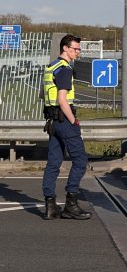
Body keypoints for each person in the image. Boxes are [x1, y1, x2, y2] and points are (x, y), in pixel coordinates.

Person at [41, 34, 91, 220]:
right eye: (75, 49)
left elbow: (42, 95)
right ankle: (71, 203)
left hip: (52, 122)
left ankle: (50, 206)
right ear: (65, 48)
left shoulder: (51, 67)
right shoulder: (64, 69)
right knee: (80, 160)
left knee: (53, 162)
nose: (78, 52)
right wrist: (73, 121)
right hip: (64, 122)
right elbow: (62, 100)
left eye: (79, 49)